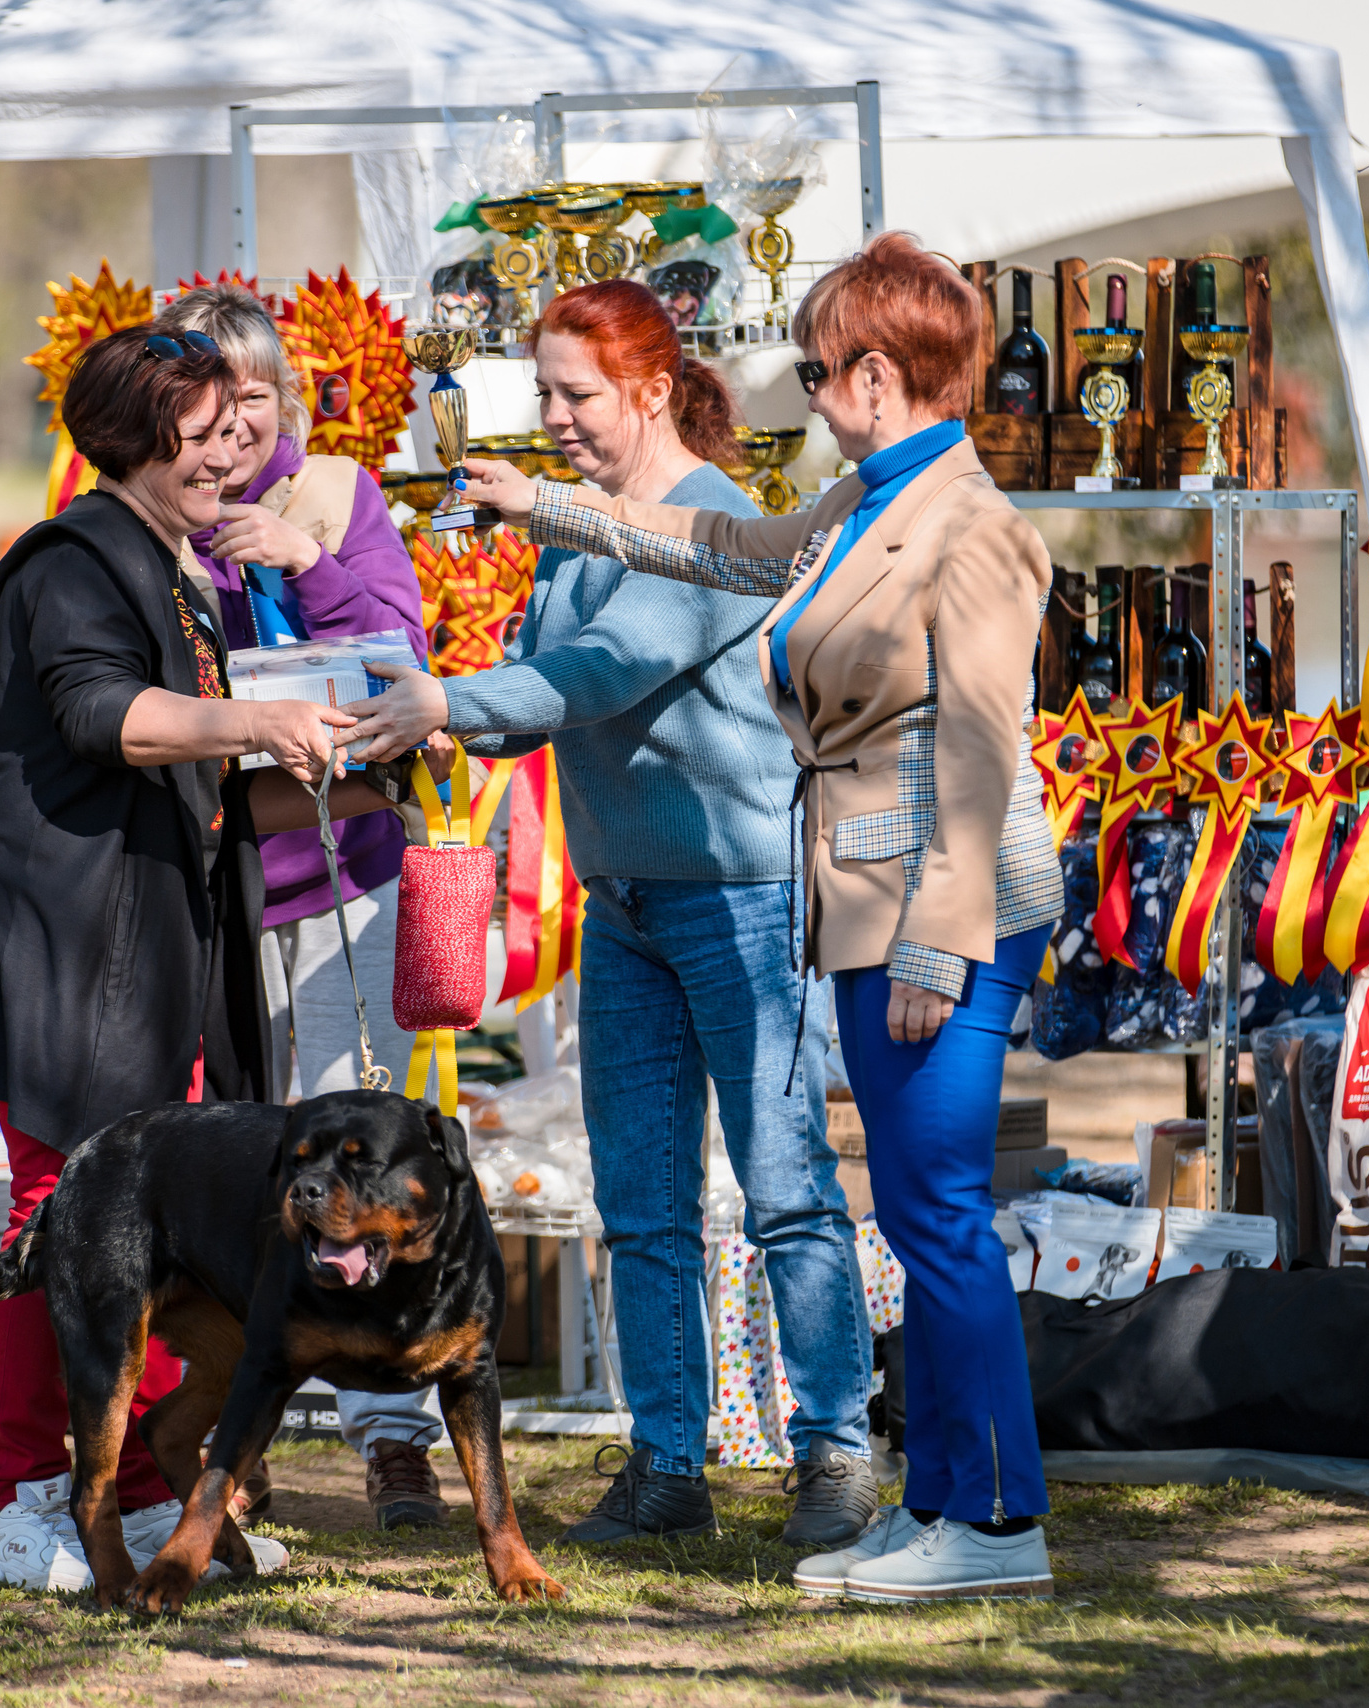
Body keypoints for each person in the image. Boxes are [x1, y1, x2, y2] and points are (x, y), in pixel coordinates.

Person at [452, 235, 1065, 1601]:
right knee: (914, 1212)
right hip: (861, 894)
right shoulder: (866, 495)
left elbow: (977, 746)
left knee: (940, 1215)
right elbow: (730, 547)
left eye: (814, 366)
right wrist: (548, 510)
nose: (800, 390)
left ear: (875, 371)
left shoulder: (972, 528)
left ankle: (999, 1524)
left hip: (932, 900)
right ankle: (943, 1502)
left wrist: (933, 937)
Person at [344, 278, 878, 1550]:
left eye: (575, 393)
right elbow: (552, 682)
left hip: (741, 903)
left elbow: (598, 673)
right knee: (640, 1203)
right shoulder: (575, 524)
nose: (554, 417)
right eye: (542, 393)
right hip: (625, 906)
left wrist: (446, 702)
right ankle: (666, 1466)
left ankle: (837, 1454)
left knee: (783, 1186)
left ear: (650, 389)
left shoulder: (718, 523)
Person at [0, 323, 434, 1590]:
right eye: (203, 433)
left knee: (150, 1238)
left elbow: (206, 785)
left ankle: (144, 1493)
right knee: (65, 1224)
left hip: (163, 952)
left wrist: (369, 783)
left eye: (235, 428)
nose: (231, 453)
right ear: (137, 437)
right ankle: (15, 1497)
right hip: (64, 956)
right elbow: (107, 716)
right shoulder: (69, 562)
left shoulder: (177, 571)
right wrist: (259, 714)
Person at [152, 284, 452, 1532]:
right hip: (205, 894)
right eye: (206, 407)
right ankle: (232, 1429)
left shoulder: (337, 499)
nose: (231, 435)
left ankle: (395, 1436)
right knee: (230, 1169)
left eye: (254, 401)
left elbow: (402, 656)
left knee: (360, 1159)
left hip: (344, 880)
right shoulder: (129, 514)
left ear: (285, 401)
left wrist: (305, 562)